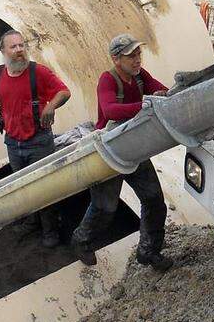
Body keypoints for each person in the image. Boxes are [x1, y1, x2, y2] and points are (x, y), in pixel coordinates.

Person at [70, 33, 173, 271]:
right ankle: (81, 240)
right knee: (106, 207)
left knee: (154, 200)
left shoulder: (140, 77)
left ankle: (149, 250)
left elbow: (162, 91)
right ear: (116, 59)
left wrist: (161, 95)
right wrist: (145, 104)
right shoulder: (108, 80)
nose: (137, 60)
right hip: (108, 152)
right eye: (131, 56)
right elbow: (111, 110)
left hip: (134, 147)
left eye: (139, 54)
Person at [0, 30, 71, 248]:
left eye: (21, 45)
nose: (19, 50)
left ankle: (50, 230)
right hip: (13, 141)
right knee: (22, 187)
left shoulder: (39, 73)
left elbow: (64, 92)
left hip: (38, 141)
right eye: (13, 47)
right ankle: (31, 221)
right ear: (3, 51)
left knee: (43, 187)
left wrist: (51, 106)